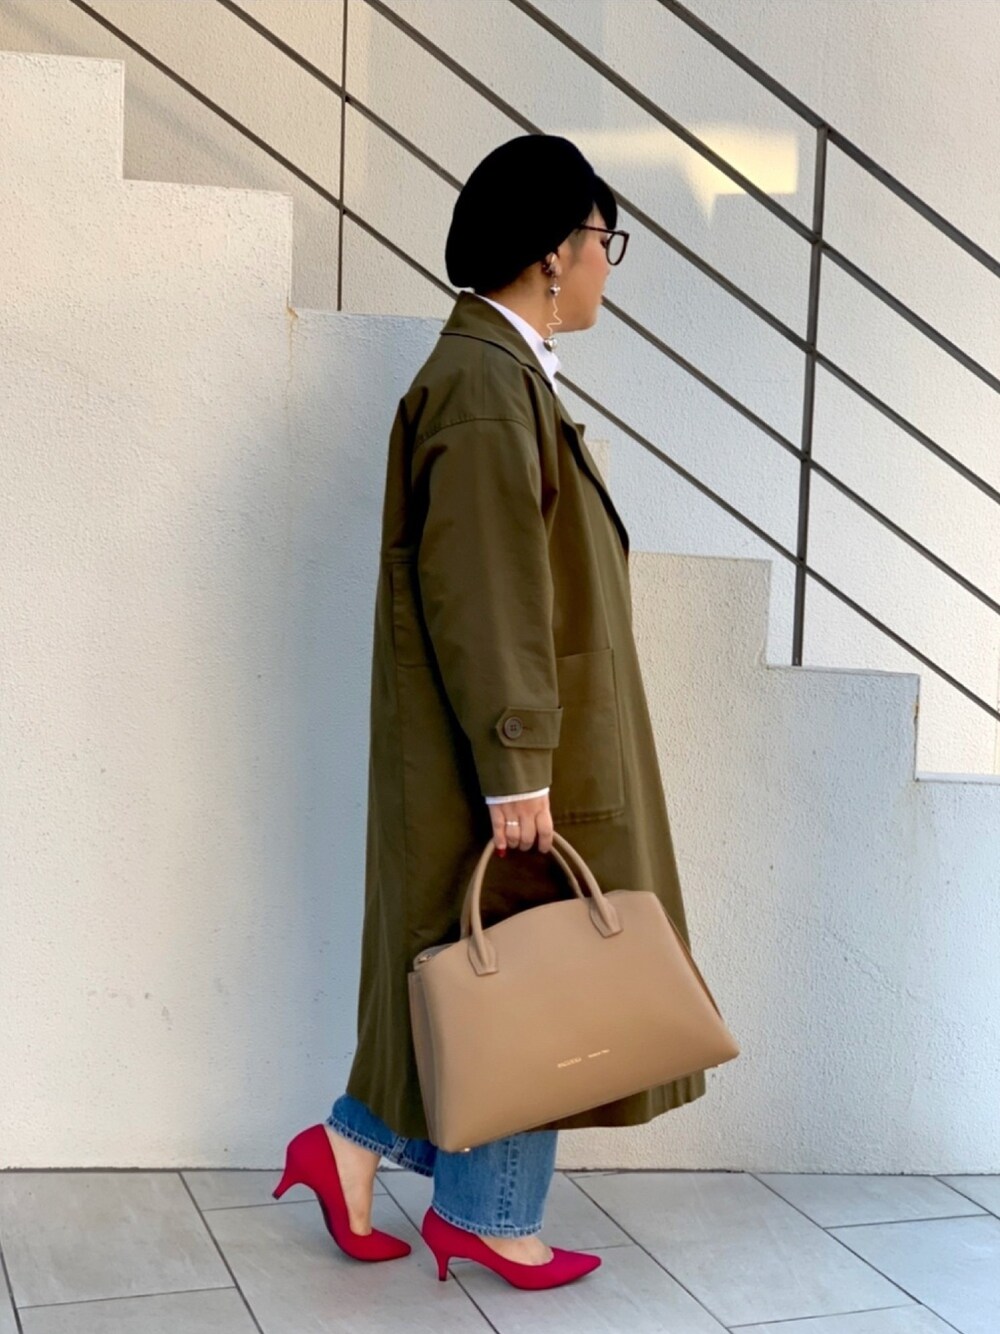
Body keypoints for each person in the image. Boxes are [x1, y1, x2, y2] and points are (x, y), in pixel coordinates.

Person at [274, 134, 707, 1290]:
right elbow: (486, 584)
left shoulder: (499, 372)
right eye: (604, 239)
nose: (607, 263)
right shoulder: (482, 383)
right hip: (508, 748)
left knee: (492, 962)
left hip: (515, 738)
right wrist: (519, 761)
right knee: (528, 960)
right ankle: (486, 1216)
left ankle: (352, 1149)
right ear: (553, 252)